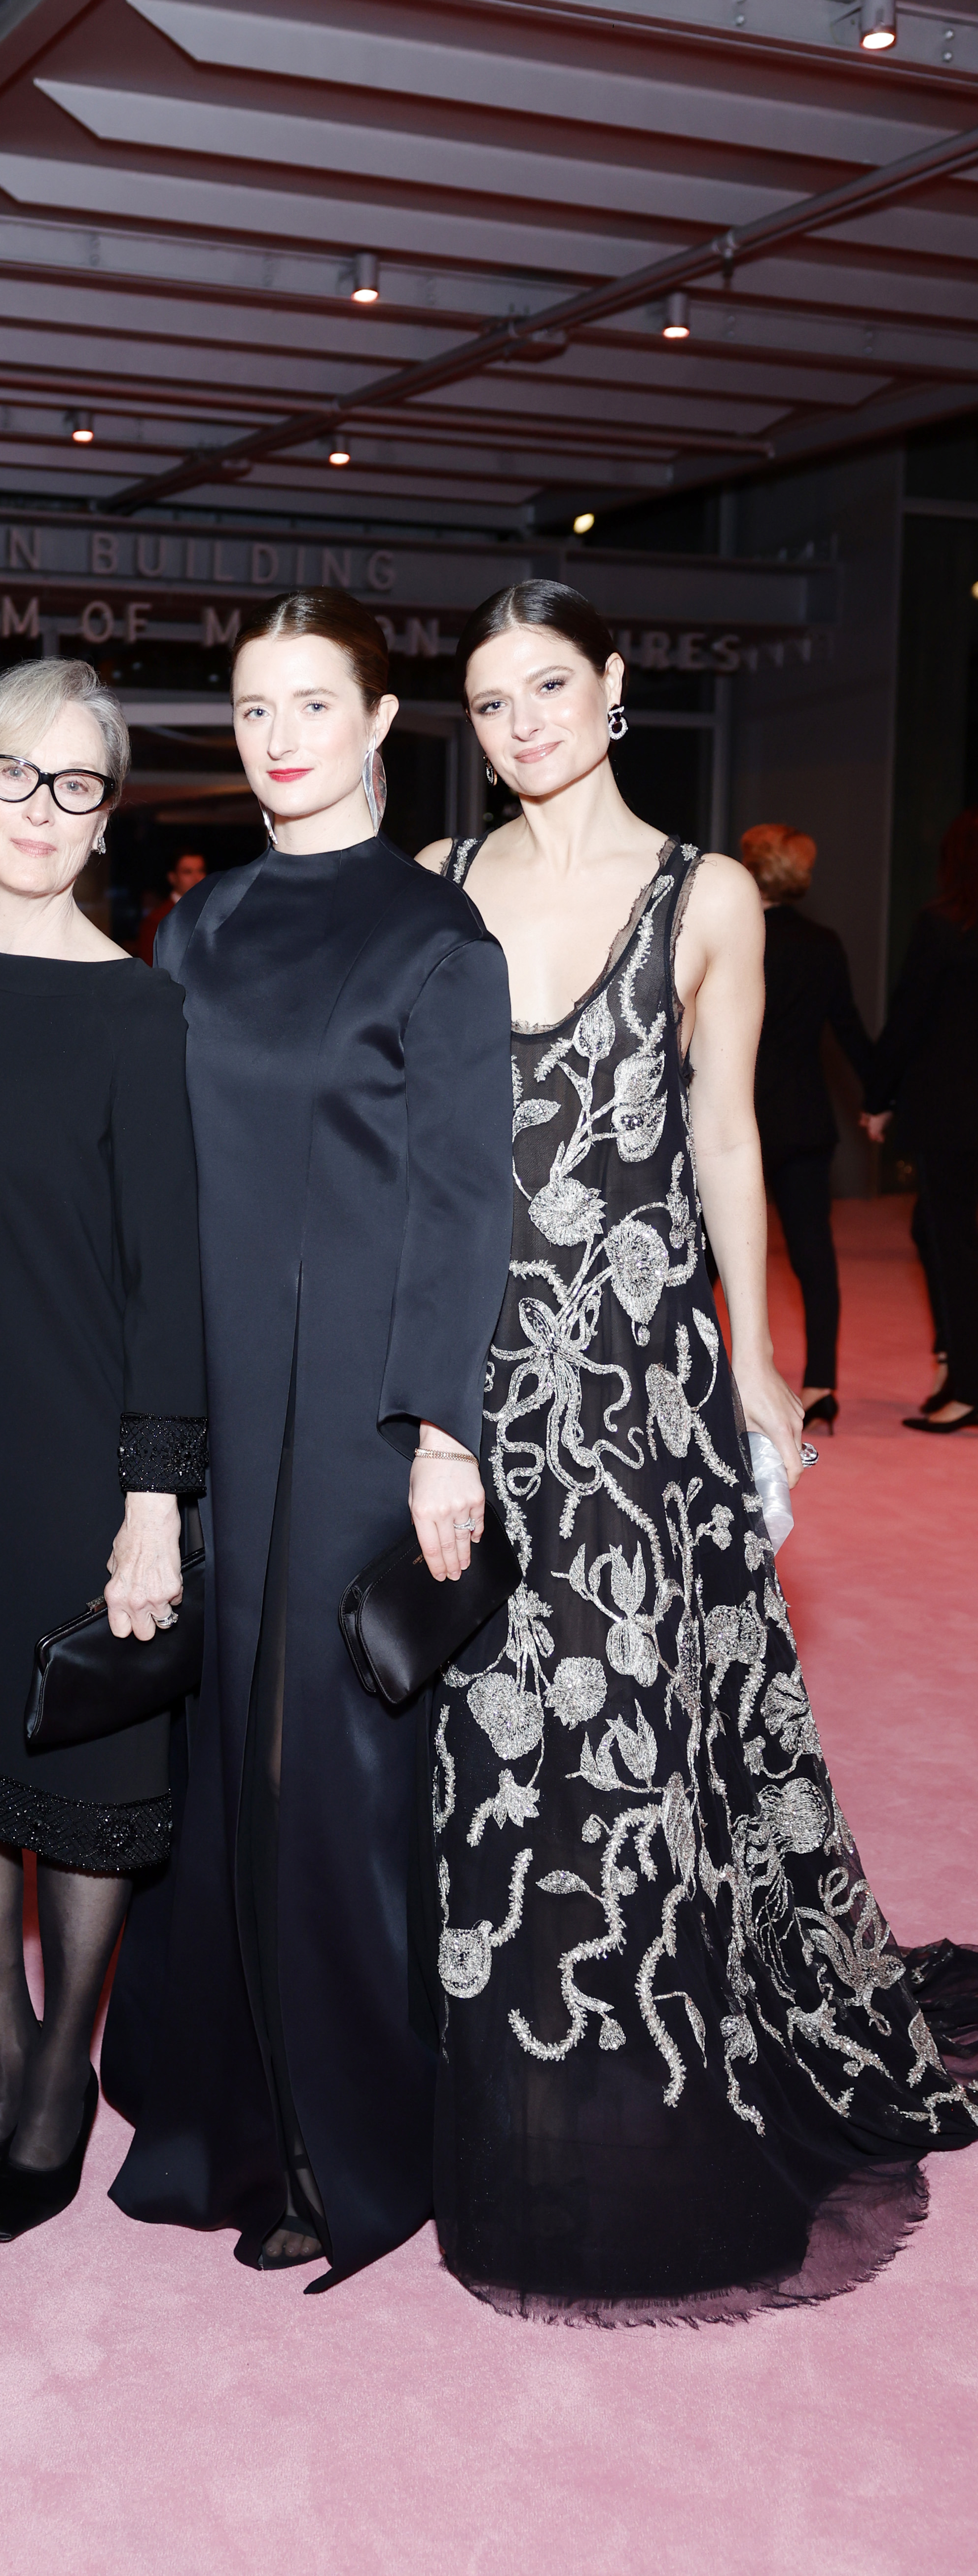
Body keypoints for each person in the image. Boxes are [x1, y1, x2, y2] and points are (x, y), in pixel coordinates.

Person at [415, 579, 978, 2322]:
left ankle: (647, 2066)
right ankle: (512, 2073)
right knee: (493, 1718)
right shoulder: (437, 882)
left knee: (640, 1706)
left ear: (613, 687)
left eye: (547, 687)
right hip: (477, 1372)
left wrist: (758, 1366)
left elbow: (724, 1138)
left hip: (634, 1376)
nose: (521, 724)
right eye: (490, 700)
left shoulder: (705, 890)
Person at [107, 589, 515, 2282]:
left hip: (356, 1407)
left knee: (329, 1774)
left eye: (310, 706)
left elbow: (463, 1200)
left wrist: (441, 1432)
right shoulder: (197, 928)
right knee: (216, 1756)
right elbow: (158, 1180)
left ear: (377, 725)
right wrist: (145, 1438)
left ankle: (342, 2142)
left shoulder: (437, 939)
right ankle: (223, 2105)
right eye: (251, 709)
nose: (278, 738)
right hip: (215, 1388)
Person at [0, 662, 206, 2243]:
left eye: (75, 784)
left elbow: (167, 1277)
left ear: (102, 817)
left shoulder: (135, 1008)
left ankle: (62, 2068)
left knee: (82, 1777)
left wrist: (152, 1504)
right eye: (11, 773)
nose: (39, 808)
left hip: (77, 1455)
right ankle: (12, 2058)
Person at [737, 822, 874, 1435]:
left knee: (704, 1254)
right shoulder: (822, 943)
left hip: (734, 1114)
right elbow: (848, 1028)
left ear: (750, 868)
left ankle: (683, 1370)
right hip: (802, 1118)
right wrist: (880, 1096)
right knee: (812, 1254)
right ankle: (819, 1385)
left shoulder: (735, 932)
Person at [863, 808, 978, 1434]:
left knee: (950, 1243)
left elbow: (908, 1018)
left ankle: (968, 1385)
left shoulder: (942, 924)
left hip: (950, 1114)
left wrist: (877, 1097)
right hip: (954, 1112)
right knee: (931, 1235)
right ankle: (954, 1367)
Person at [134, 849, 207, 960]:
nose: (197, 878)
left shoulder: (212, 913)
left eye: (201, 871)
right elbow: (149, 965)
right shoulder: (157, 921)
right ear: (173, 877)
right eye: (188, 872)